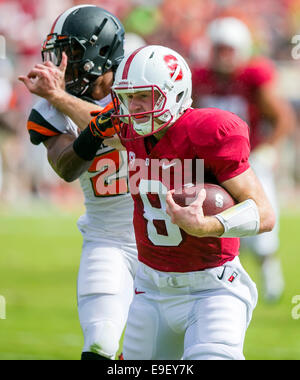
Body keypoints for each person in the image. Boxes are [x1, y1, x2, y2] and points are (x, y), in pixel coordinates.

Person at [89, 44, 276, 360]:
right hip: (149, 290)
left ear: (174, 93)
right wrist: (57, 97)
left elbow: (264, 213)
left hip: (212, 289)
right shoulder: (129, 131)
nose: (133, 108)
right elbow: (90, 122)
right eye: (127, 97)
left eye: (143, 97)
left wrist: (208, 226)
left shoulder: (208, 130)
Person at [19, 4, 138, 360]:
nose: (59, 63)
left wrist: (59, 97)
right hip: (107, 241)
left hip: (163, 240)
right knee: (100, 346)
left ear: (98, 52)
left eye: (69, 52)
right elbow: (66, 168)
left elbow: (125, 127)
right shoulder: (48, 112)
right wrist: (63, 106)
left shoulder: (139, 88)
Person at [192, 17, 296, 302]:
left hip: (247, 161)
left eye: (229, 49)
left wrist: (270, 148)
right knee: (212, 218)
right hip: (210, 164)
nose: (224, 56)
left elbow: (282, 117)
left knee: (260, 219)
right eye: (219, 49)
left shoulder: (253, 77)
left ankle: (269, 270)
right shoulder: (200, 77)